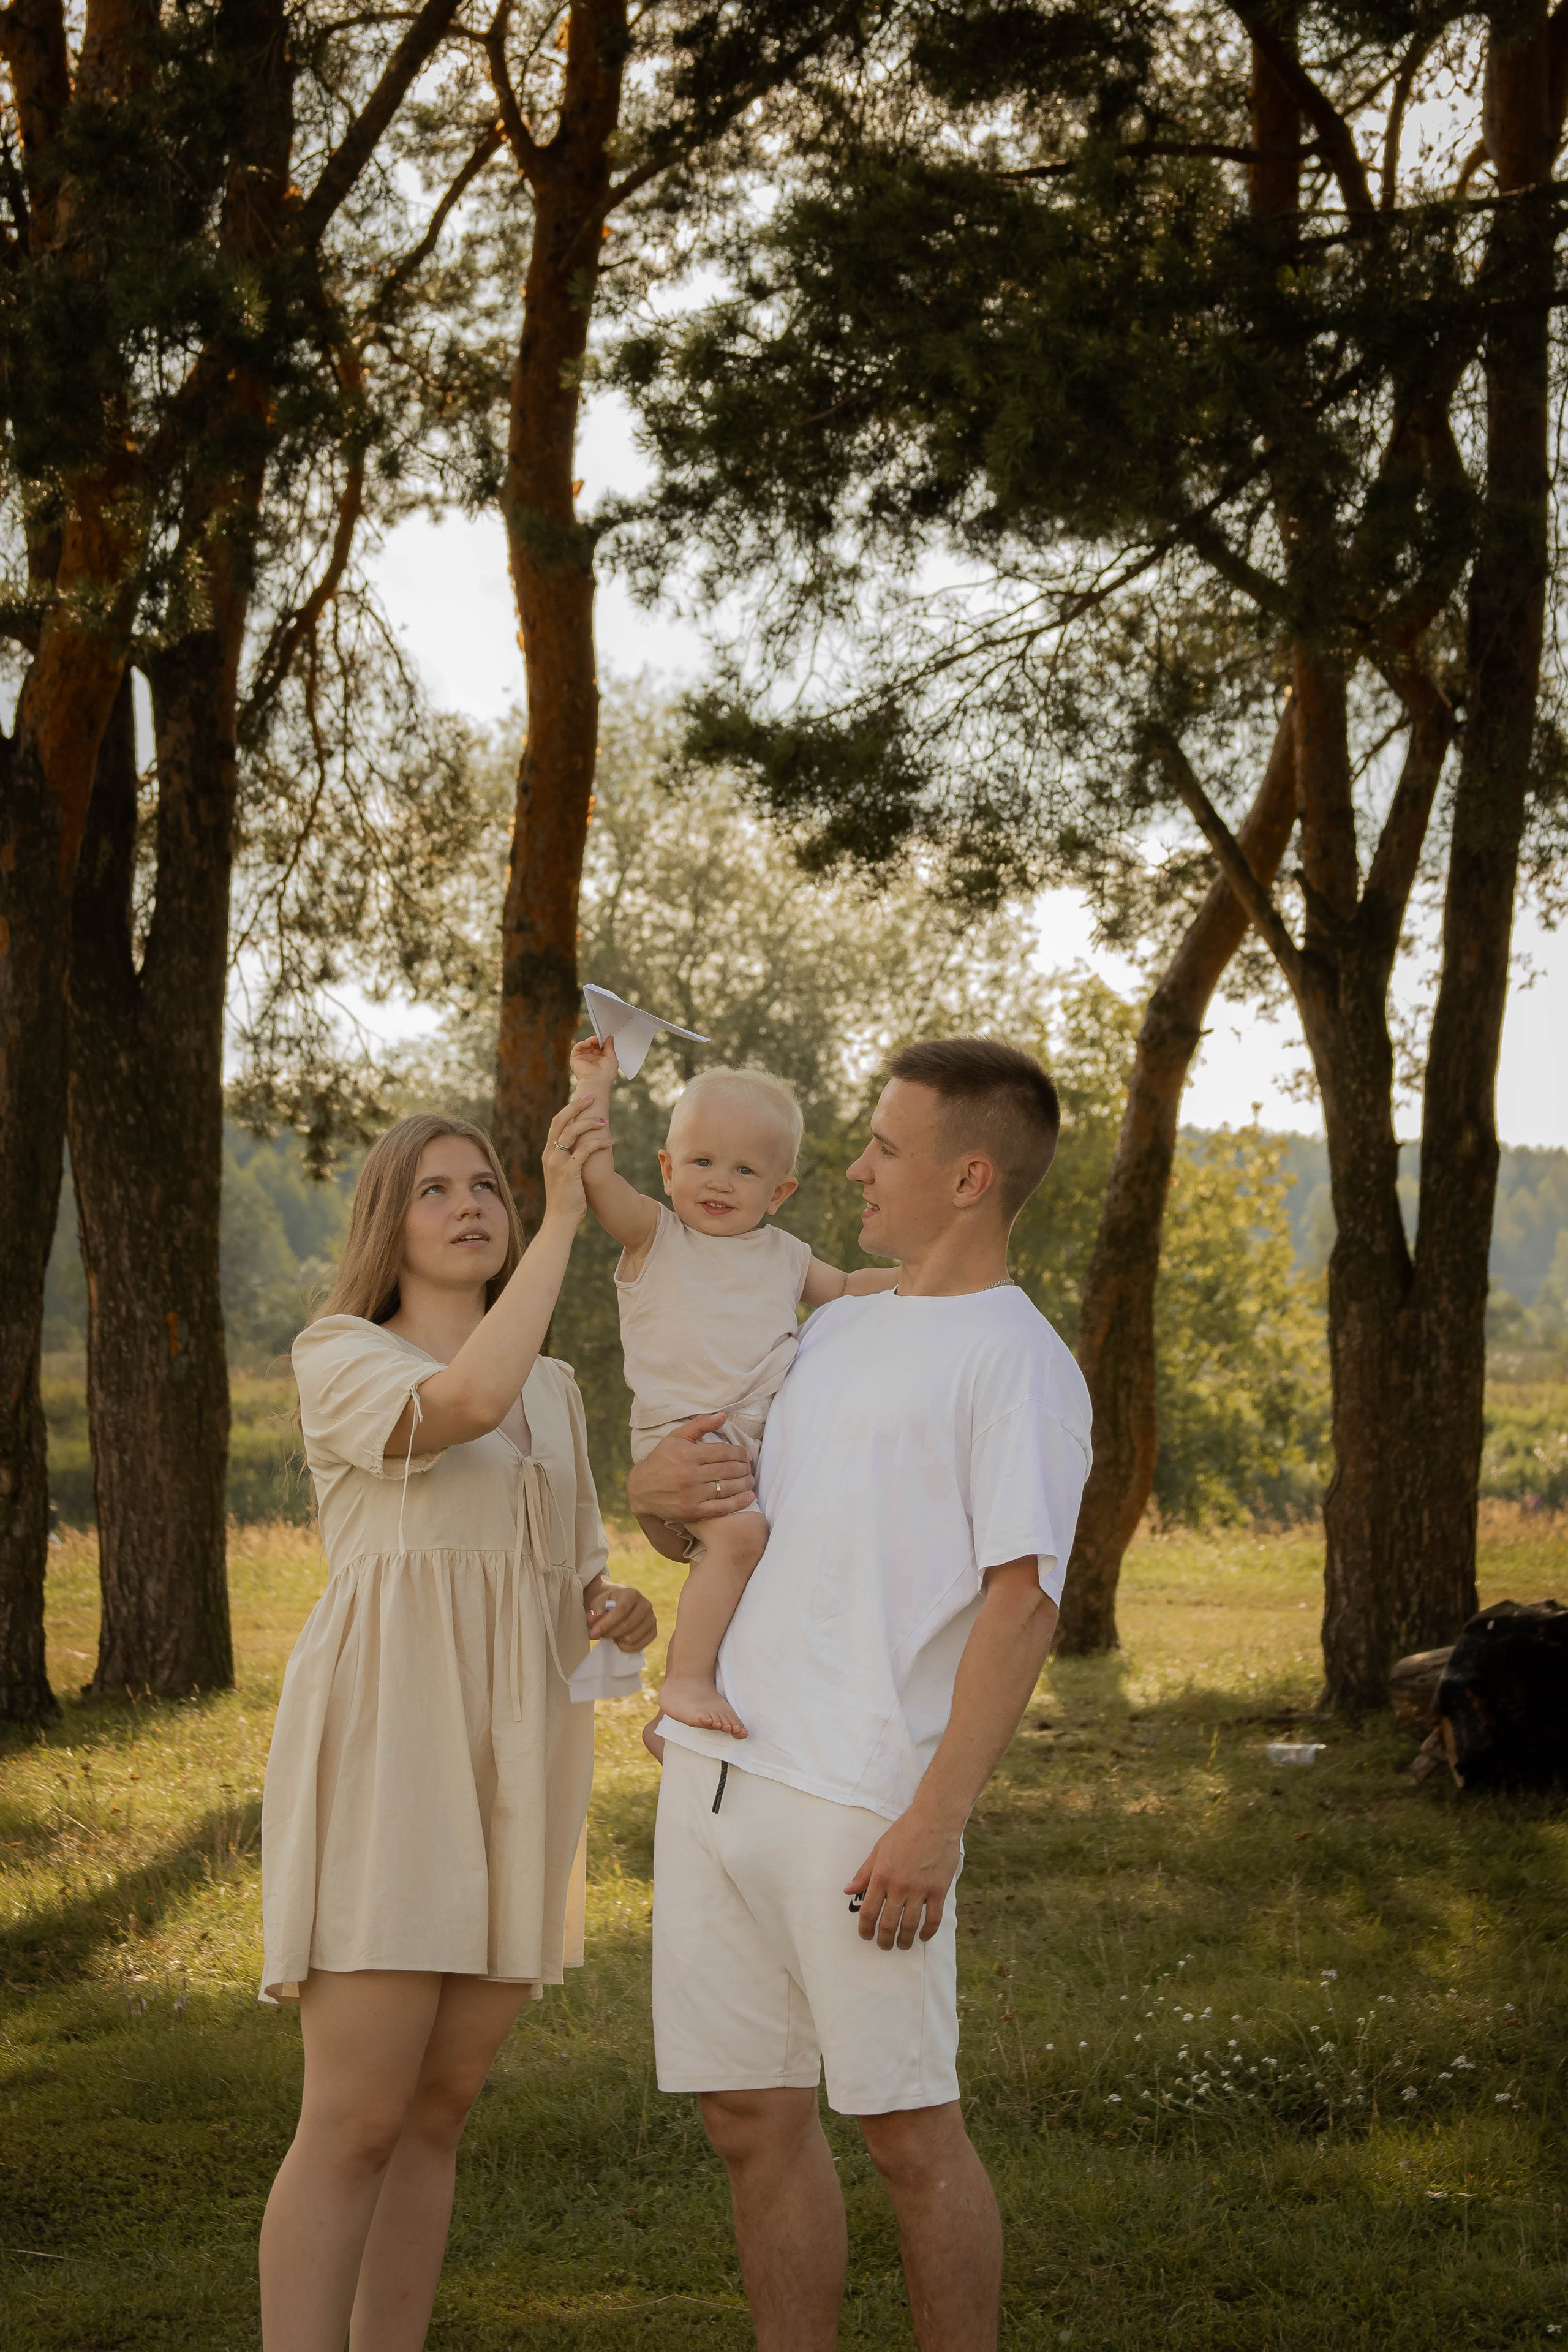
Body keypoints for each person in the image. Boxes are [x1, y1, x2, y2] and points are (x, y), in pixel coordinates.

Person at [627, 1037, 1092, 2352]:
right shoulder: (828, 1327)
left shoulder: (1017, 1364)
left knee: (905, 2134)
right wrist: (658, 1500)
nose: (856, 1165)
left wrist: (935, 1820)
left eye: (885, 1145)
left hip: (858, 1808)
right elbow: (725, 1518)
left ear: (967, 1176)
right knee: (745, 2120)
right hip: (718, 1772)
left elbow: (1024, 1602)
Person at [257, 1105, 657, 2352]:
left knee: (436, 2110)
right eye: (437, 1190)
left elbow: (570, 1571)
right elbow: (467, 1402)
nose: (472, 1205)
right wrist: (565, 1212)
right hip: (393, 1746)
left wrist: (615, 1606)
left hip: (514, 1750)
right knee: (356, 2117)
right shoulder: (341, 1354)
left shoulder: (555, 1386)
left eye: (487, 1184)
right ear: (391, 1219)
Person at [568, 1042, 895, 1739]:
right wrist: (595, 1081)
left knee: (775, 1560)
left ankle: (695, 1711)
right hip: (687, 1439)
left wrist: (927, 1275)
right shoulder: (656, 1235)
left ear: (779, 1193)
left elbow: (844, 1289)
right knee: (741, 1541)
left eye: (745, 1169)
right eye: (702, 1162)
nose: (719, 1182)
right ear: (667, 1168)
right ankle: (681, 1684)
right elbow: (596, 1179)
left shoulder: (786, 1255)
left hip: (758, 1446)